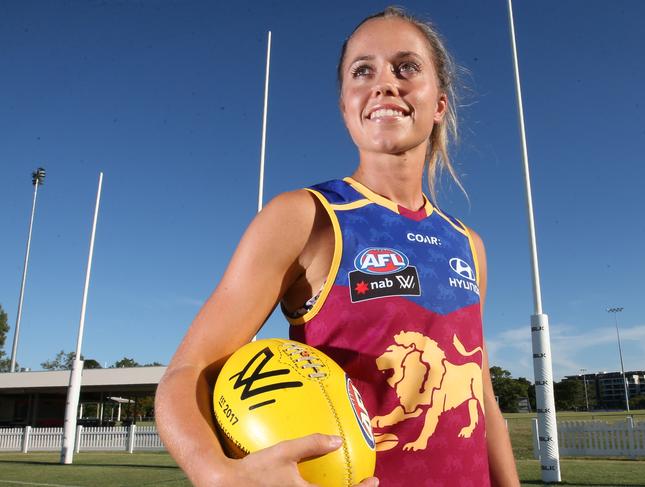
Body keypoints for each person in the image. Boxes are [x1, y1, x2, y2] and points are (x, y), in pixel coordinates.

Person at [156, 6, 520, 487]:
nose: (384, 83)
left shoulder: (468, 244)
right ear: (347, 104)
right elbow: (187, 373)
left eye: (406, 67)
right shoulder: (306, 216)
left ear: (440, 105)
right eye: (363, 70)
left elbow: (481, 395)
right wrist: (215, 474)